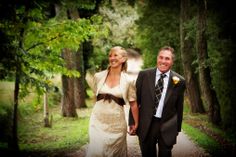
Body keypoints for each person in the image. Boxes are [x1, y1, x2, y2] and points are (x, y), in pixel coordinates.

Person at [129, 46, 186, 157]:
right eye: (161, 57)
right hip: (146, 125)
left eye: (167, 58)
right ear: (157, 58)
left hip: (168, 126)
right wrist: (132, 122)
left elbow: (179, 107)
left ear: (172, 61)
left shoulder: (180, 81)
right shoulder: (144, 75)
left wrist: (177, 129)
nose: (163, 61)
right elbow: (135, 101)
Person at [86, 46, 139, 157]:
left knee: (115, 153)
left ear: (123, 59)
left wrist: (136, 123)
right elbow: (96, 95)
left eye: (115, 55)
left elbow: (133, 104)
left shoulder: (129, 80)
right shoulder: (98, 76)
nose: (112, 58)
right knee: (96, 152)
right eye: (110, 55)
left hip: (117, 125)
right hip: (97, 121)